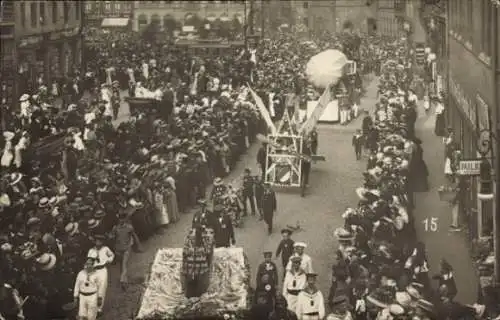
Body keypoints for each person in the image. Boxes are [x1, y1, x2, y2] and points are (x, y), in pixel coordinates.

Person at [111, 213, 142, 291]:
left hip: (126, 249)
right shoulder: (115, 228)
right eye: (120, 218)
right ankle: (124, 281)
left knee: (124, 265)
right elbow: (112, 238)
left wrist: (138, 245)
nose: (121, 220)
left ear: (125, 219)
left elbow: (134, 236)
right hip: (118, 249)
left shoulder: (129, 227)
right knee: (121, 266)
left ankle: (123, 281)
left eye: (123, 218)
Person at [86, 235, 115, 315]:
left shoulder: (105, 249)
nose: (98, 242)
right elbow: (88, 262)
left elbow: (112, 255)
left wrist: (108, 260)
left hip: (102, 270)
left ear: (103, 242)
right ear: (94, 241)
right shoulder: (91, 250)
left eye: (100, 241)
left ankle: (99, 309)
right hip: (93, 271)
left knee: (101, 289)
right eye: (97, 240)